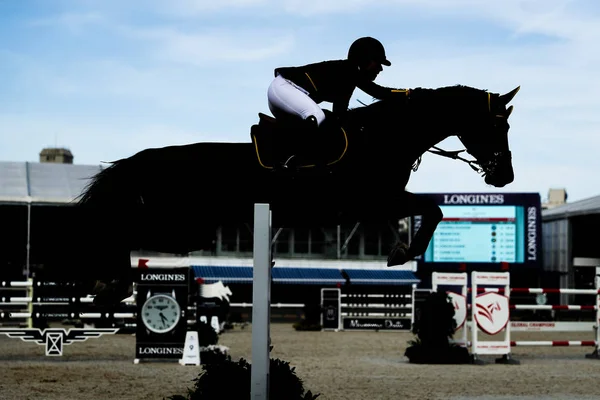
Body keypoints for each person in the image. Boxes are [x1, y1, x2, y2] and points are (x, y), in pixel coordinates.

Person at [266, 36, 408, 168]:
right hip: (284, 88)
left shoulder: (349, 75)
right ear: (364, 60)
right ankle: (292, 161)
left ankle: (287, 156)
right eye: (377, 63)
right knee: (318, 116)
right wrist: (410, 93)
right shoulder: (349, 71)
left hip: (283, 93)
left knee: (323, 119)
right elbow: (378, 92)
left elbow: (339, 114)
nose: (380, 69)